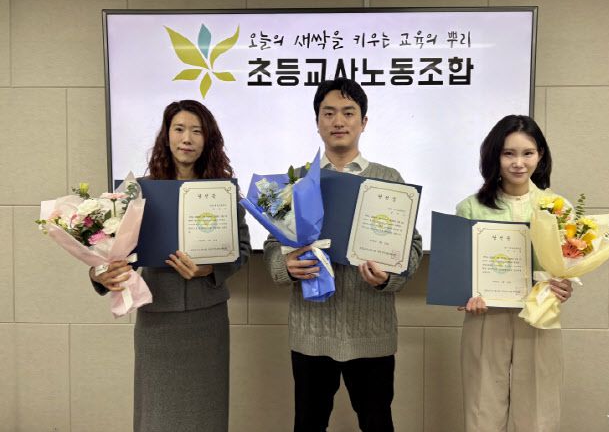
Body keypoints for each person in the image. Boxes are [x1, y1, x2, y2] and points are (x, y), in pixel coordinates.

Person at [263, 78, 423, 432]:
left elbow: (411, 246)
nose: (338, 121)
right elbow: (273, 244)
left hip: (371, 331)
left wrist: (389, 277)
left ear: (363, 122)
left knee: (377, 424)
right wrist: (285, 266)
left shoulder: (389, 178)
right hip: (311, 331)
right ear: (317, 121)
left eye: (348, 113)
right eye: (329, 113)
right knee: (308, 424)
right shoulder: (297, 180)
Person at [90, 100, 251, 432]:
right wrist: (100, 273)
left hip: (207, 321)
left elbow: (243, 251)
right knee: (157, 414)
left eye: (196, 131)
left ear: (208, 139)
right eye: (179, 129)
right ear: (166, 136)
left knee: (206, 414)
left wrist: (210, 270)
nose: (187, 138)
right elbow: (108, 252)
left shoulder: (223, 192)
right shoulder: (138, 193)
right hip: (157, 320)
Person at [456, 115, 573, 432]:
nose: (518, 163)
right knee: (482, 408)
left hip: (539, 315)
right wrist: (462, 293)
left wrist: (565, 285)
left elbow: (567, 265)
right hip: (485, 315)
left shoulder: (557, 207)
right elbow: (459, 272)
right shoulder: (470, 208)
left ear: (540, 155)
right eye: (508, 153)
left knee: (538, 410)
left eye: (527, 153)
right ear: (494, 155)